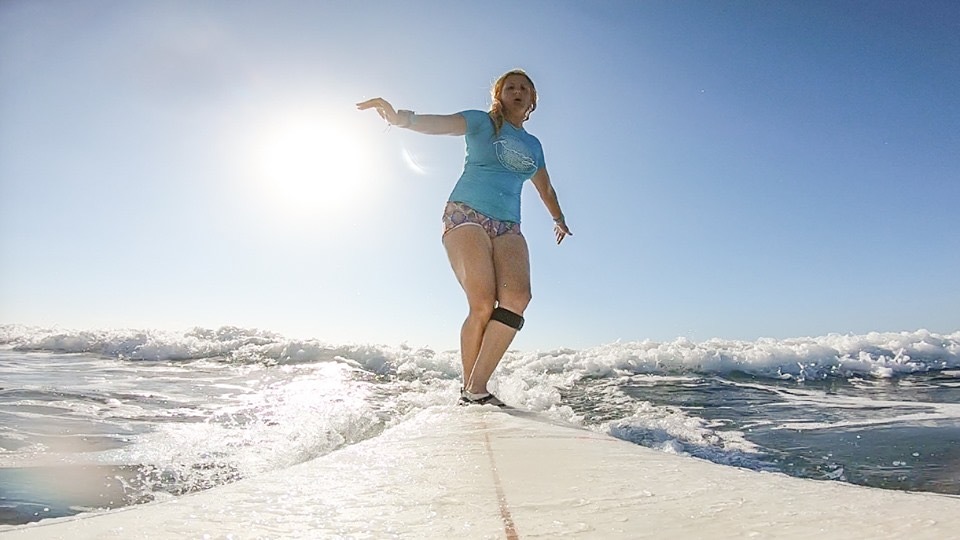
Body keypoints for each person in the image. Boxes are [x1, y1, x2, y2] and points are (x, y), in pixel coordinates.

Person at [357, 69, 571, 407]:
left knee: (518, 297)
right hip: (465, 213)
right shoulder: (482, 122)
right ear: (499, 95)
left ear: (532, 99)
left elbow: (545, 188)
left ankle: (474, 390)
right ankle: (474, 391)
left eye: (524, 88)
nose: (517, 91)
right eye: (509, 87)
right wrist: (400, 118)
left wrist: (558, 219)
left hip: (508, 226)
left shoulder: (534, 146)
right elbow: (440, 124)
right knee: (483, 303)